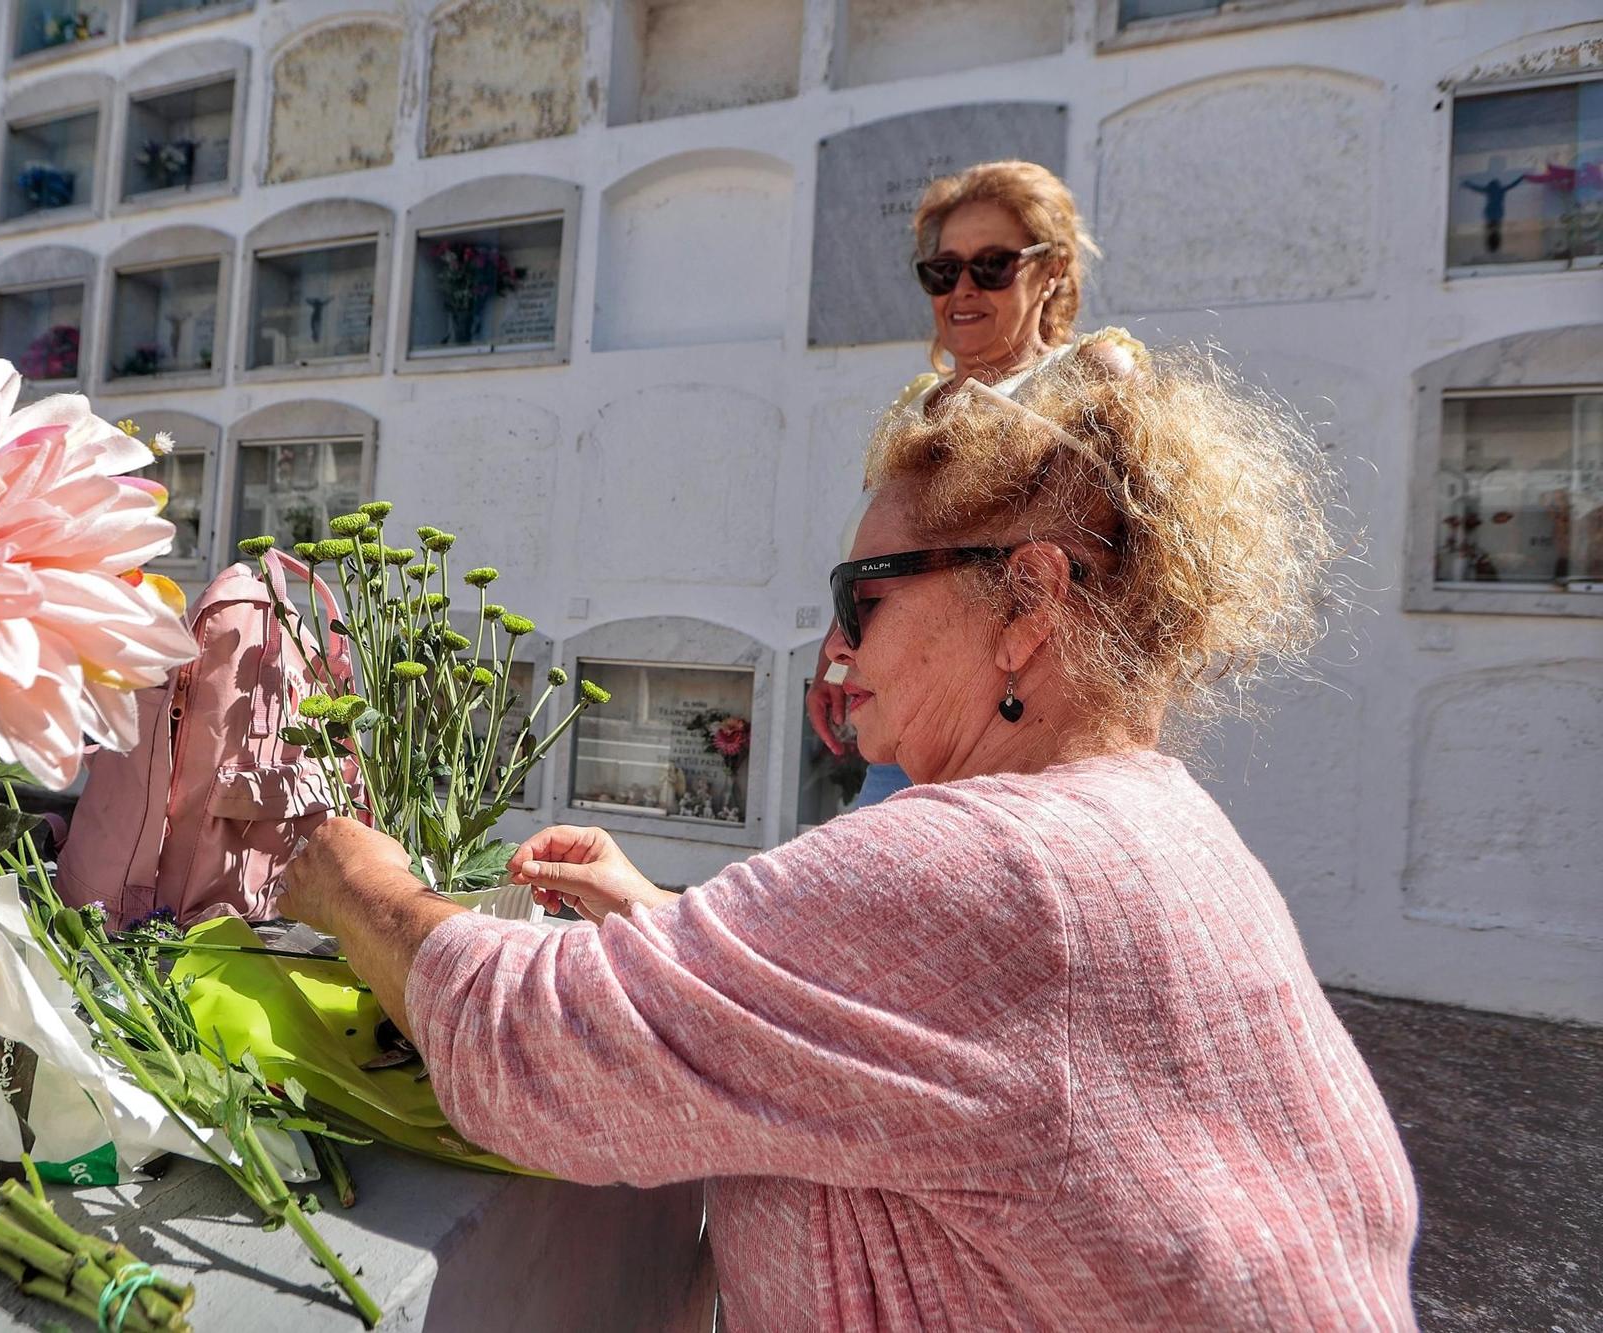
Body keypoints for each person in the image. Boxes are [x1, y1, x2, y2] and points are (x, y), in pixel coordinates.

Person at [281, 329, 1417, 1330]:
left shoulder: (991, 866)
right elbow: (965, 1058)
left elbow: (531, 1042)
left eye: (860, 597)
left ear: (1025, 603)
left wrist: (341, 868)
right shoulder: (1157, 822)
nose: (836, 651)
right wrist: (675, 927)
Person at [810, 160, 1100, 810]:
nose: (962, 289)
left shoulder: (1083, 384)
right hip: (902, 723)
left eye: (992, 266)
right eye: (943, 272)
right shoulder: (913, 407)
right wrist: (834, 660)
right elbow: (873, 566)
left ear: (1051, 269)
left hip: (1007, 737)